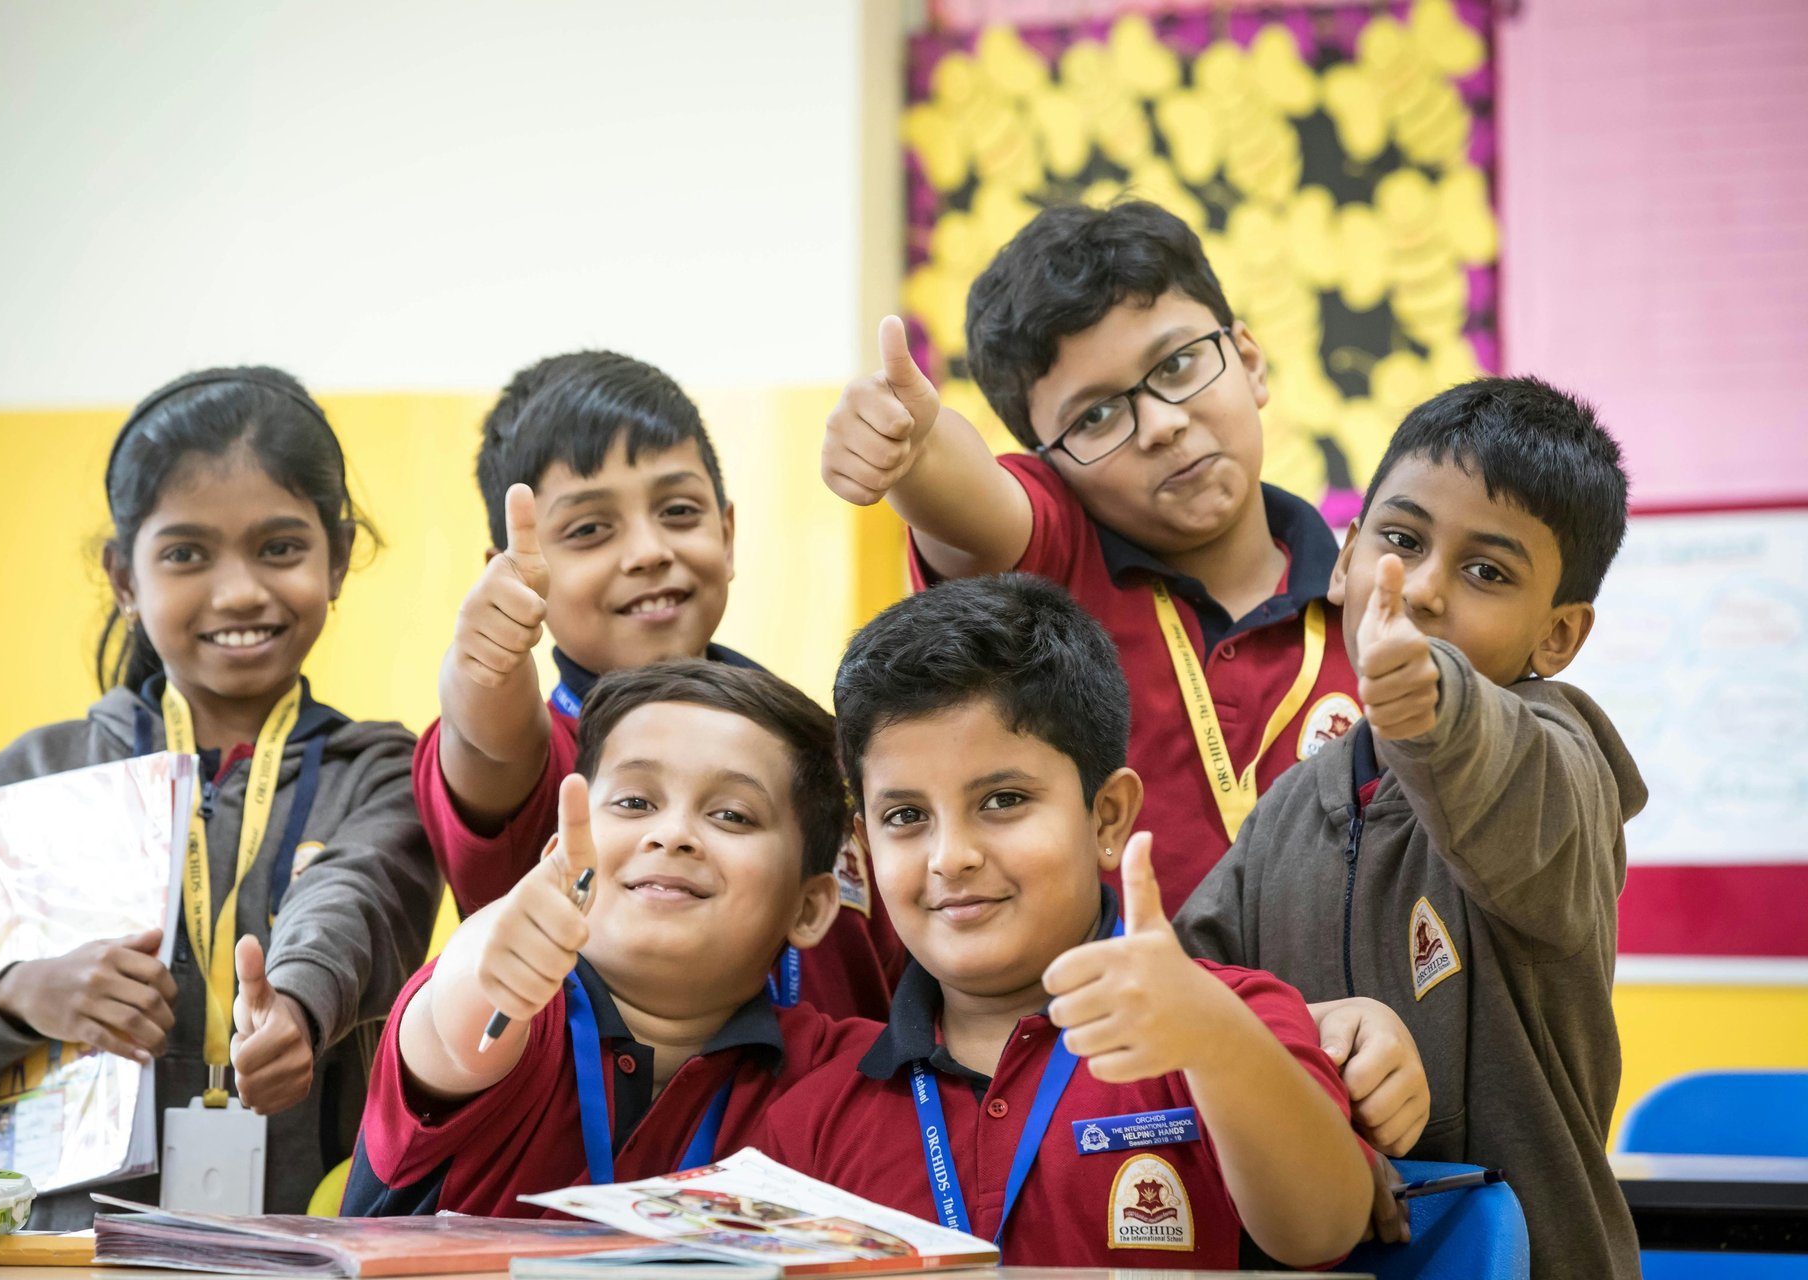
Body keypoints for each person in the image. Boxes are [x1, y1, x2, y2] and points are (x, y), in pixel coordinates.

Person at [0, 368, 439, 1225]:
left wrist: (294, 1001)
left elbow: (352, 897)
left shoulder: (384, 771)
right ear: (123, 576)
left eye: (279, 547)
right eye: (186, 553)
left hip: (307, 1255)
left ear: (336, 559)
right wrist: (13, 998)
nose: (238, 591)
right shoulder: (33, 782)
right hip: (62, 1264)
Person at [758, 575, 1378, 1269]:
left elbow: (1325, 1227)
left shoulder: (1233, 1019)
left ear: (1106, 817)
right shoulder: (813, 1118)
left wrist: (1217, 1043)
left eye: (1002, 799)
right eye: (905, 817)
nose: (951, 857)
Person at [1177, 377, 1646, 1277]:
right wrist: (1305, 1032)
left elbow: (1501, 769)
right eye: (1401, 540)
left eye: (1487, 572)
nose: (1424, 590)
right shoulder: (1285, 812)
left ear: (1558, 637)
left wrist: (1434, 704)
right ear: (1346, 560)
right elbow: (1204, 1005)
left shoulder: (1564, 770)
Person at [820, 200, 1362, 914]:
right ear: (1052, 462)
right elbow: (974, 504)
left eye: (1178, 365)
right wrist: (913, 451)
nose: (1164, 425)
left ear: (1250, 361)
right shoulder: (1058, 559)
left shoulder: (1375, 593)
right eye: (1096, 416)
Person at [424, 352, 899, 1018]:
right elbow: (487, 737)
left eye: (678, 511)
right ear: (514, 573)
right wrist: (481, 664)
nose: (648, 550)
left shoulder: (824, 749)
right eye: (590, 529)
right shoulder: (539, 761)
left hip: (835, 1120)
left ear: (727, 535)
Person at [344, 662, 867, 1216]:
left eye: (732, 815)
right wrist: (490, 953)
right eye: (635, 803)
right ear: (558, 863)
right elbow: (461, 1019)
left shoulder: (845, 1077)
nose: (672, 835)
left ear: (808, 908)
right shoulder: (522, 1020)